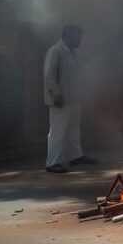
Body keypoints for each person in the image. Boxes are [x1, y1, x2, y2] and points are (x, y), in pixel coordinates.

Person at [43, 24, 96, 173]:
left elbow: (77, 75)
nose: (80, 40)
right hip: (60, 100)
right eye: (78, 37)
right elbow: (49, 75)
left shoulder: (71, 54)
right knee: (57, 131)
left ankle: (76, 156)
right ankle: (52, 163)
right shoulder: (55, 52)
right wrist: (56, 94)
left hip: (73, 99)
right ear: (68, 36)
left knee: (73, 129)